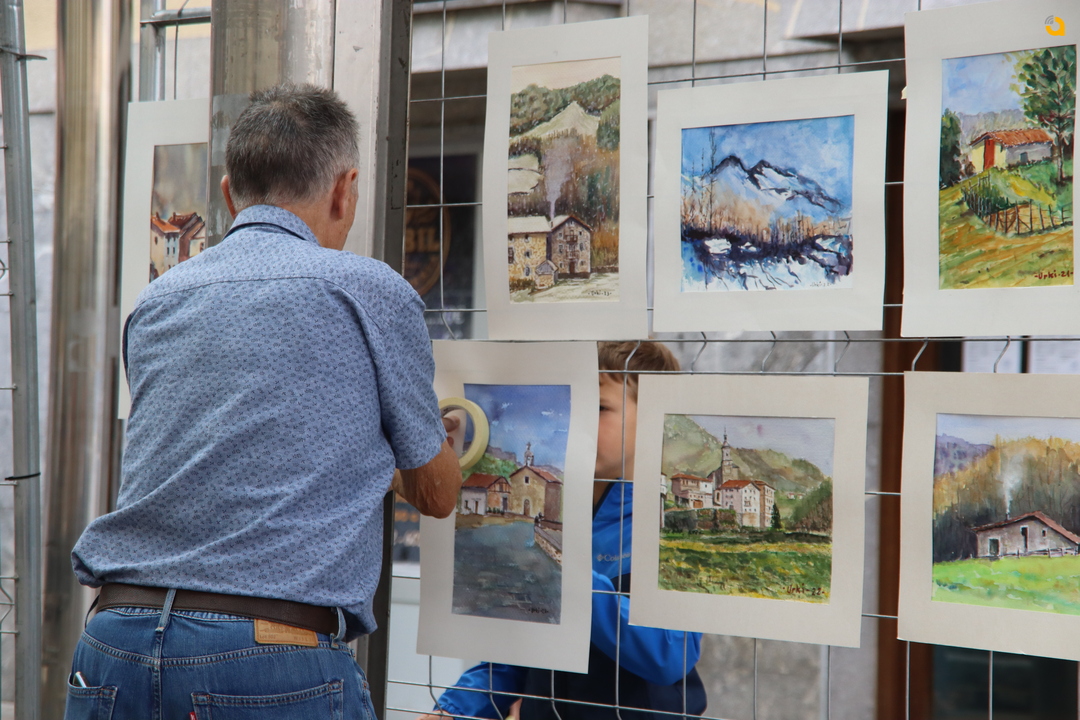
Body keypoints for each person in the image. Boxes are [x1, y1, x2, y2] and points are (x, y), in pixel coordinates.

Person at [64, 83, 462, 719]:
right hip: (267, 654)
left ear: (228, 195)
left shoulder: (159, 299)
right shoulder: (369, 290)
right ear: (345, 190)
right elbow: (436, 494)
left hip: (114, 639)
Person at [422, 341, 707, 720]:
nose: (580, 421)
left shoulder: (671, 525)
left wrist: (567, 583)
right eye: (574, 406)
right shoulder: (562, 511)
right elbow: (520, 647)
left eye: (600, 408)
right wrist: (455, 709)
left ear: (659, 418)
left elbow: (671, 654)